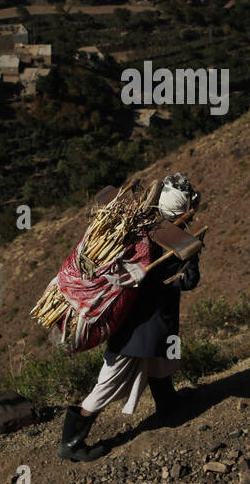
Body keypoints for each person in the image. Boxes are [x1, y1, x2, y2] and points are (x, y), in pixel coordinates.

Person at [58, 174, 202, 462]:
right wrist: (181, 273)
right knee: (108, 383)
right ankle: (71, 442)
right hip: (137, 327)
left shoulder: (138, 230)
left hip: (141, 320)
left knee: (160, 360)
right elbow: (188, 281)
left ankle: (168, 404)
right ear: (184, 209)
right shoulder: (179, 241)